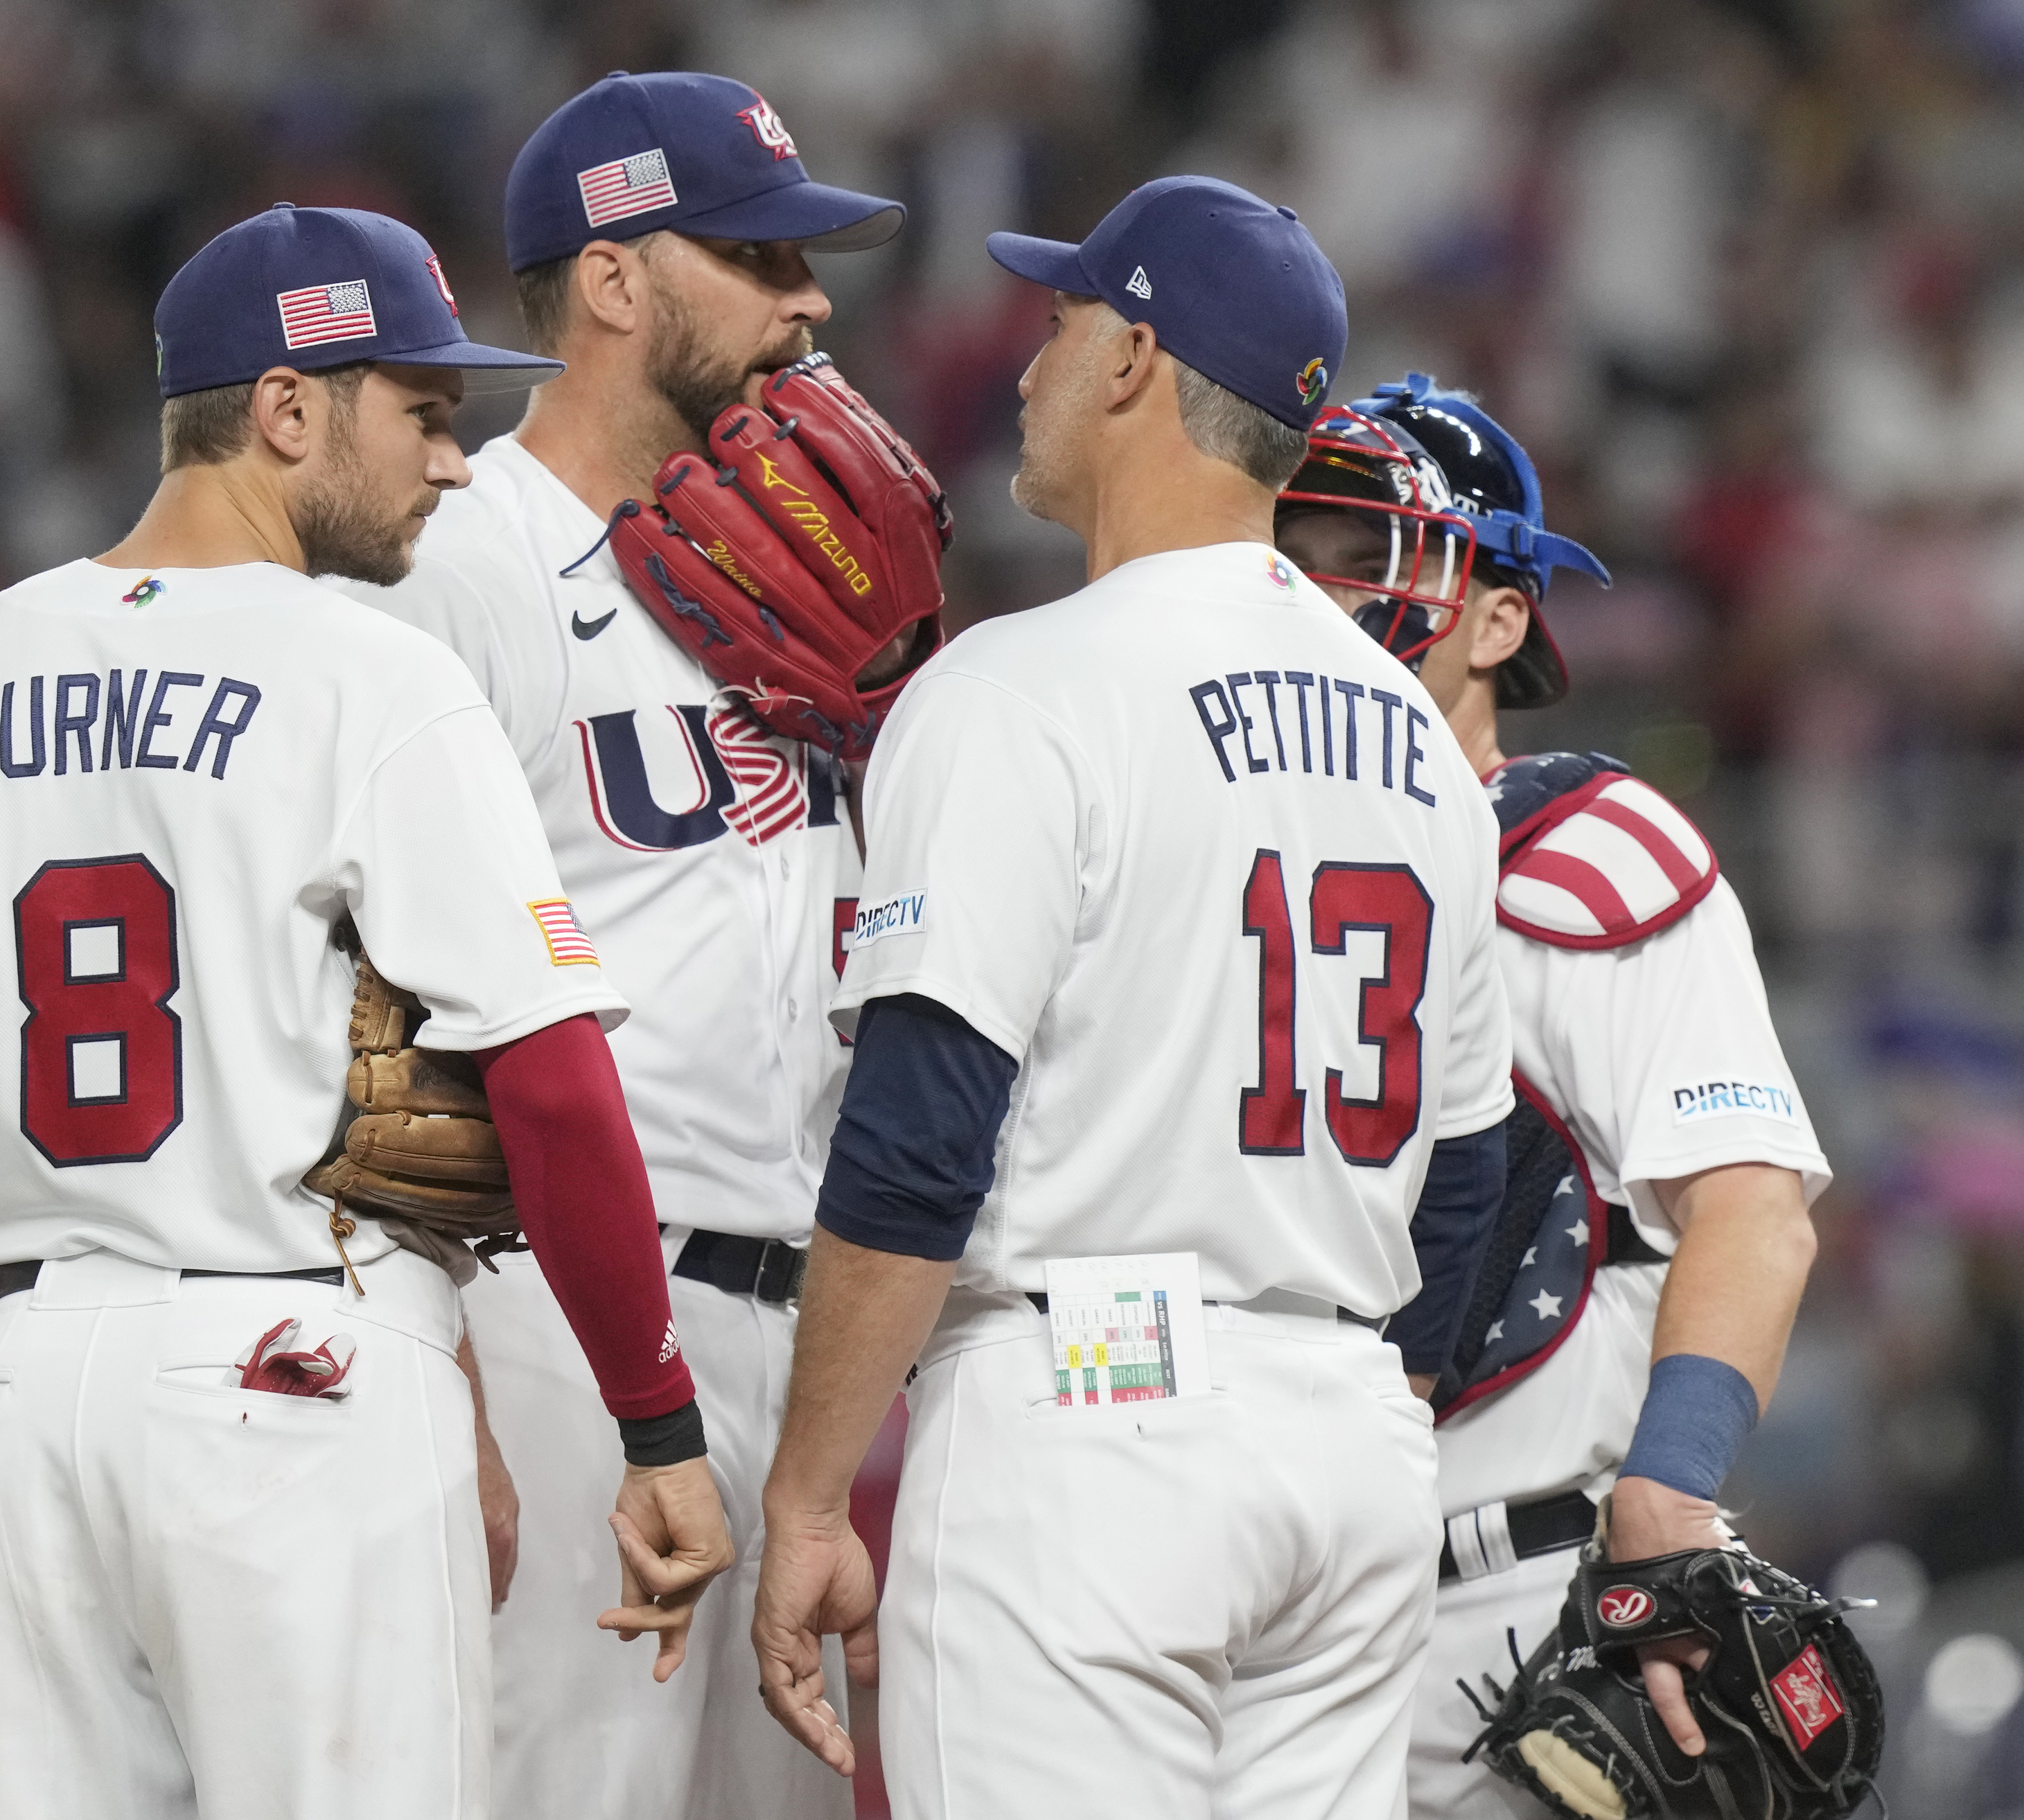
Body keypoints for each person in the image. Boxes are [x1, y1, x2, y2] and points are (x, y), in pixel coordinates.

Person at [0, 204, 732, 1818]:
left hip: (32, 1389)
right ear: (285, 410)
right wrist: (659, 1424)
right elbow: (550, 1085)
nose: (457, 463)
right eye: (421, 412)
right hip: (299, 1367)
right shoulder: (371, 676)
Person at [748, 178, 1517, 1819]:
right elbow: (1465, 1183)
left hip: (1095, 1414)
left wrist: (811, 1502)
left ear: (1133, 364)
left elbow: (916, 1142)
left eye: (1057, 325)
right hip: (1348, 1441)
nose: (1026, 367)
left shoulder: (1025, 687)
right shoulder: (1423, 751)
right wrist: (1350, 1399)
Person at [333, 70, 905, 1820]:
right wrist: (450, 1396)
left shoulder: (806, 573)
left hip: (786, 1328)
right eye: (755, 256)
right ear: (613, 282)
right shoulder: (462, 561)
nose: (810, 302)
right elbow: (351, 1008)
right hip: (564, 1314)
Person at [1269, 376, 1829, 1819]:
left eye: (1362, 548)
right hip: (1251, 1583)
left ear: (1500, 617)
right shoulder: (1220, 851)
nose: (1323, 587)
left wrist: (1667, 1505)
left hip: (1503, 1607)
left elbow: (1754, 1210)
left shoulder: (1587, 850)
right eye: (1296, 544)